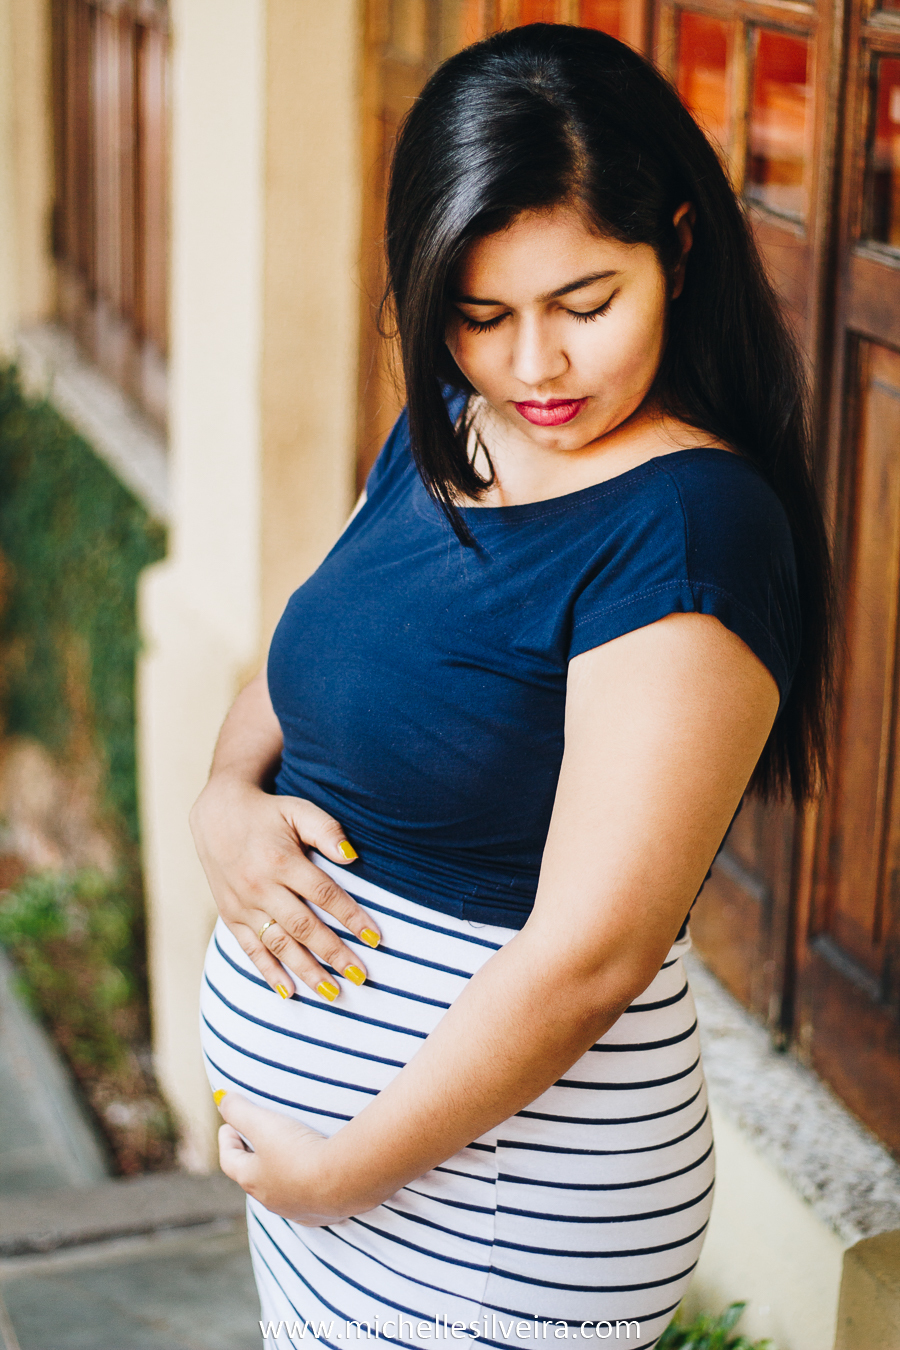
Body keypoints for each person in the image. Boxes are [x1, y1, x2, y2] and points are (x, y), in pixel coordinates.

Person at [190, 23, 832, 1350]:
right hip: (351, 1188)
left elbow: (588, 957)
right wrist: (222, 804)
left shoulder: (690, 527)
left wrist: (344, 1171)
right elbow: (308, 663)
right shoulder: (450, 423)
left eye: (584, 305)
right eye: (483, 315)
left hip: (496, 1205)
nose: (535, 367)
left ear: (677, 244)